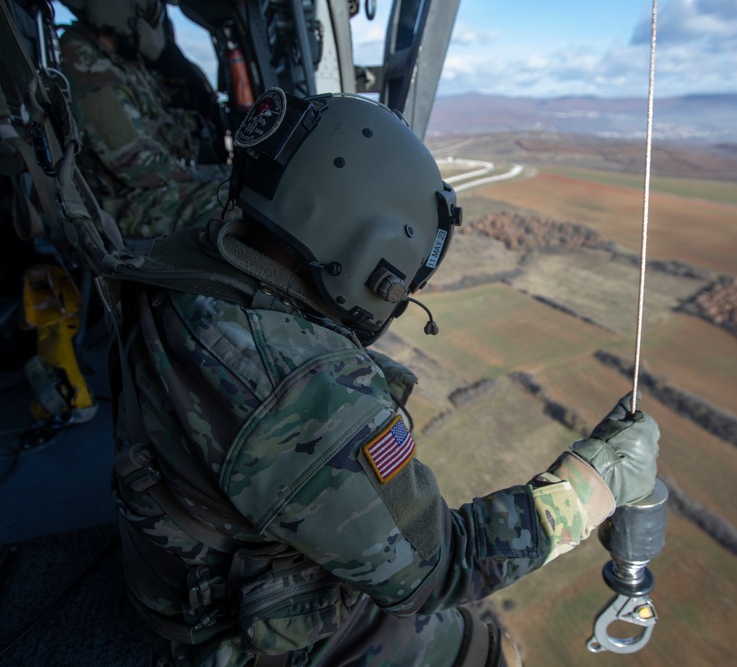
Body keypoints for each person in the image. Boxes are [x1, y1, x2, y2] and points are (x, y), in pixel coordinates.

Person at [104, 89, 660, 666]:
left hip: (186, 570)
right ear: (370, 250)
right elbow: (437, 567)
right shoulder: (301, 388)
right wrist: (595, 483)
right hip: (229, 632)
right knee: (495, 654)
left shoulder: (188, 258)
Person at [59, 0, 225, 238]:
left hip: (142, 189)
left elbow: (157, 123)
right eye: (145, 14)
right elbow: (138, 164)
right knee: (233, 203)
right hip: (115, 206)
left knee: (242, 185)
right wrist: (206, 176)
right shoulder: (86, 65)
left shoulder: (120, 60)